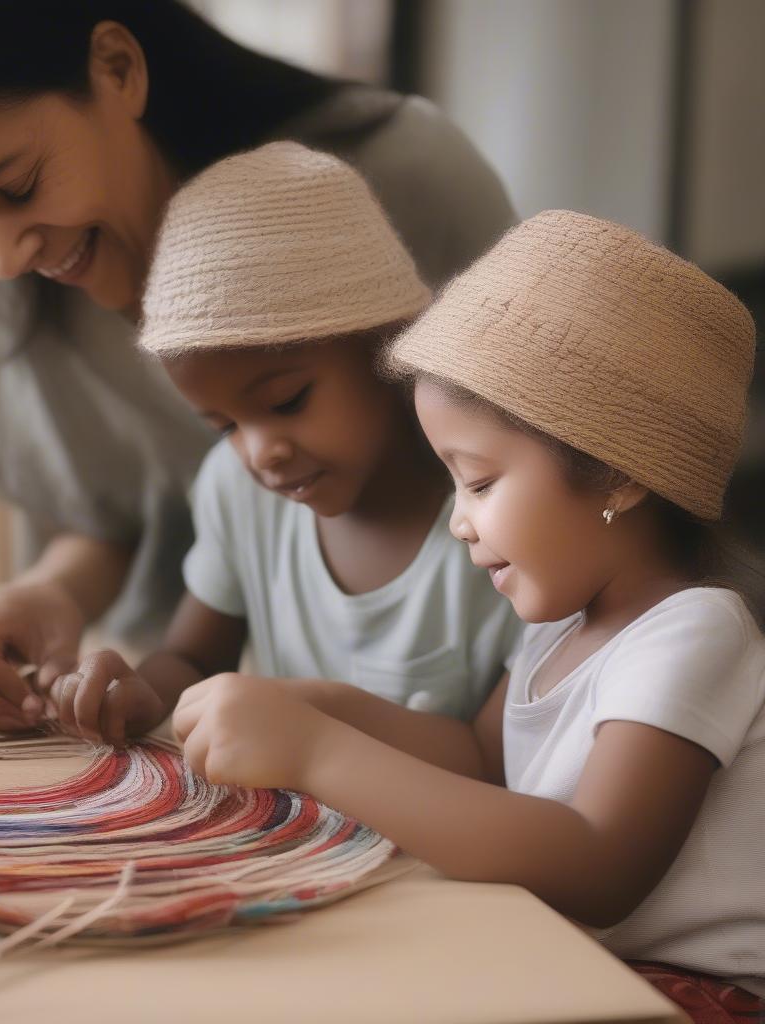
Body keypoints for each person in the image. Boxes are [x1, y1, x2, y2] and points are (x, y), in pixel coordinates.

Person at [0, 0, 516, 733]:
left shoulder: (406, 180)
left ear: (117, 70)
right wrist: (53, 591)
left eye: (16, 189)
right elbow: (117, 520)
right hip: (205, 725)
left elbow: (545, 449)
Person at [172, 210, 764, 1020]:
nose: (458, 520)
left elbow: (599, 864)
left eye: (480, 482)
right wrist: (320, 705)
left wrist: (316, 753)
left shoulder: (694, 631)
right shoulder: (562, 624)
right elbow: (480, 761)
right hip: (583, 961)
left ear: (619, 475)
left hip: (693, 991)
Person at [42, 142, 519, 744]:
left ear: (391, 342)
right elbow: (192, 657)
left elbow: (493, 758)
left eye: (287, 402)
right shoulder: (236, 492)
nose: (260, 453)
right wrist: (139, 692)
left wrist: (308, 730)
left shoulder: (501, 513)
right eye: (224, 426)